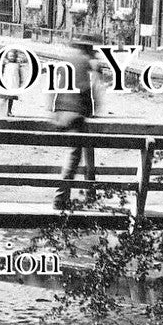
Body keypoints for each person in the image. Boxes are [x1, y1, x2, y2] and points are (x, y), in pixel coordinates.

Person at [50, 41, 98, 211]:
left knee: (79, 152)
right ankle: (60, 198)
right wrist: (92, 109)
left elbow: (56, 86)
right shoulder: (85, 62)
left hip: (62, 111)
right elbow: (88, 89)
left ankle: (80, 195)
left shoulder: (67, 59)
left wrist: (54, 110)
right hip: (75, 112)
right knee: (73, 155)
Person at [0, 49, 26, 117]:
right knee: (5, 97)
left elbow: (20, 75)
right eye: (10, 56)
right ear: (7, 57)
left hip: (14, 83)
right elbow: (1, 73)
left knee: (11, 98)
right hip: (6, 83)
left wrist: (20, 83)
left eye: (13, 56)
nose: (12, 58)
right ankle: (2, 108)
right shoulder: (5, 65)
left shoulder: (17, 65)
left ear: (15, 57)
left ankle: (9, 111)